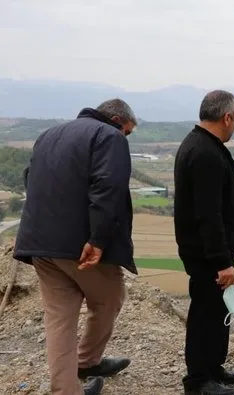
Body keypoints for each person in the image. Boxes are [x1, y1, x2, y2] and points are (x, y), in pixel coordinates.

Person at [14, 99, 138, 395]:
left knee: (59, 317)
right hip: (80, 246)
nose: (126, 138)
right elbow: (108, 187)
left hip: (39, 244)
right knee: (109, 298)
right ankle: (87, 361)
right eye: (128, 132)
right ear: (118, 120)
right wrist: (98, 240)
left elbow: (30, 180)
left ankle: (66, 389)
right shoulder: (109, 136)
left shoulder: (49, 135)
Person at [174, 90, 234, 395]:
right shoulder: (205, 153)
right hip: (208, 255)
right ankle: (198, 381)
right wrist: (222, 262)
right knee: (204, 314)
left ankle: (213, 369)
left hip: (211, 253)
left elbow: (220, 188)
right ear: (226, 117)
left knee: (216, 311)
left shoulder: (205, 145)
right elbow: (207, 214)